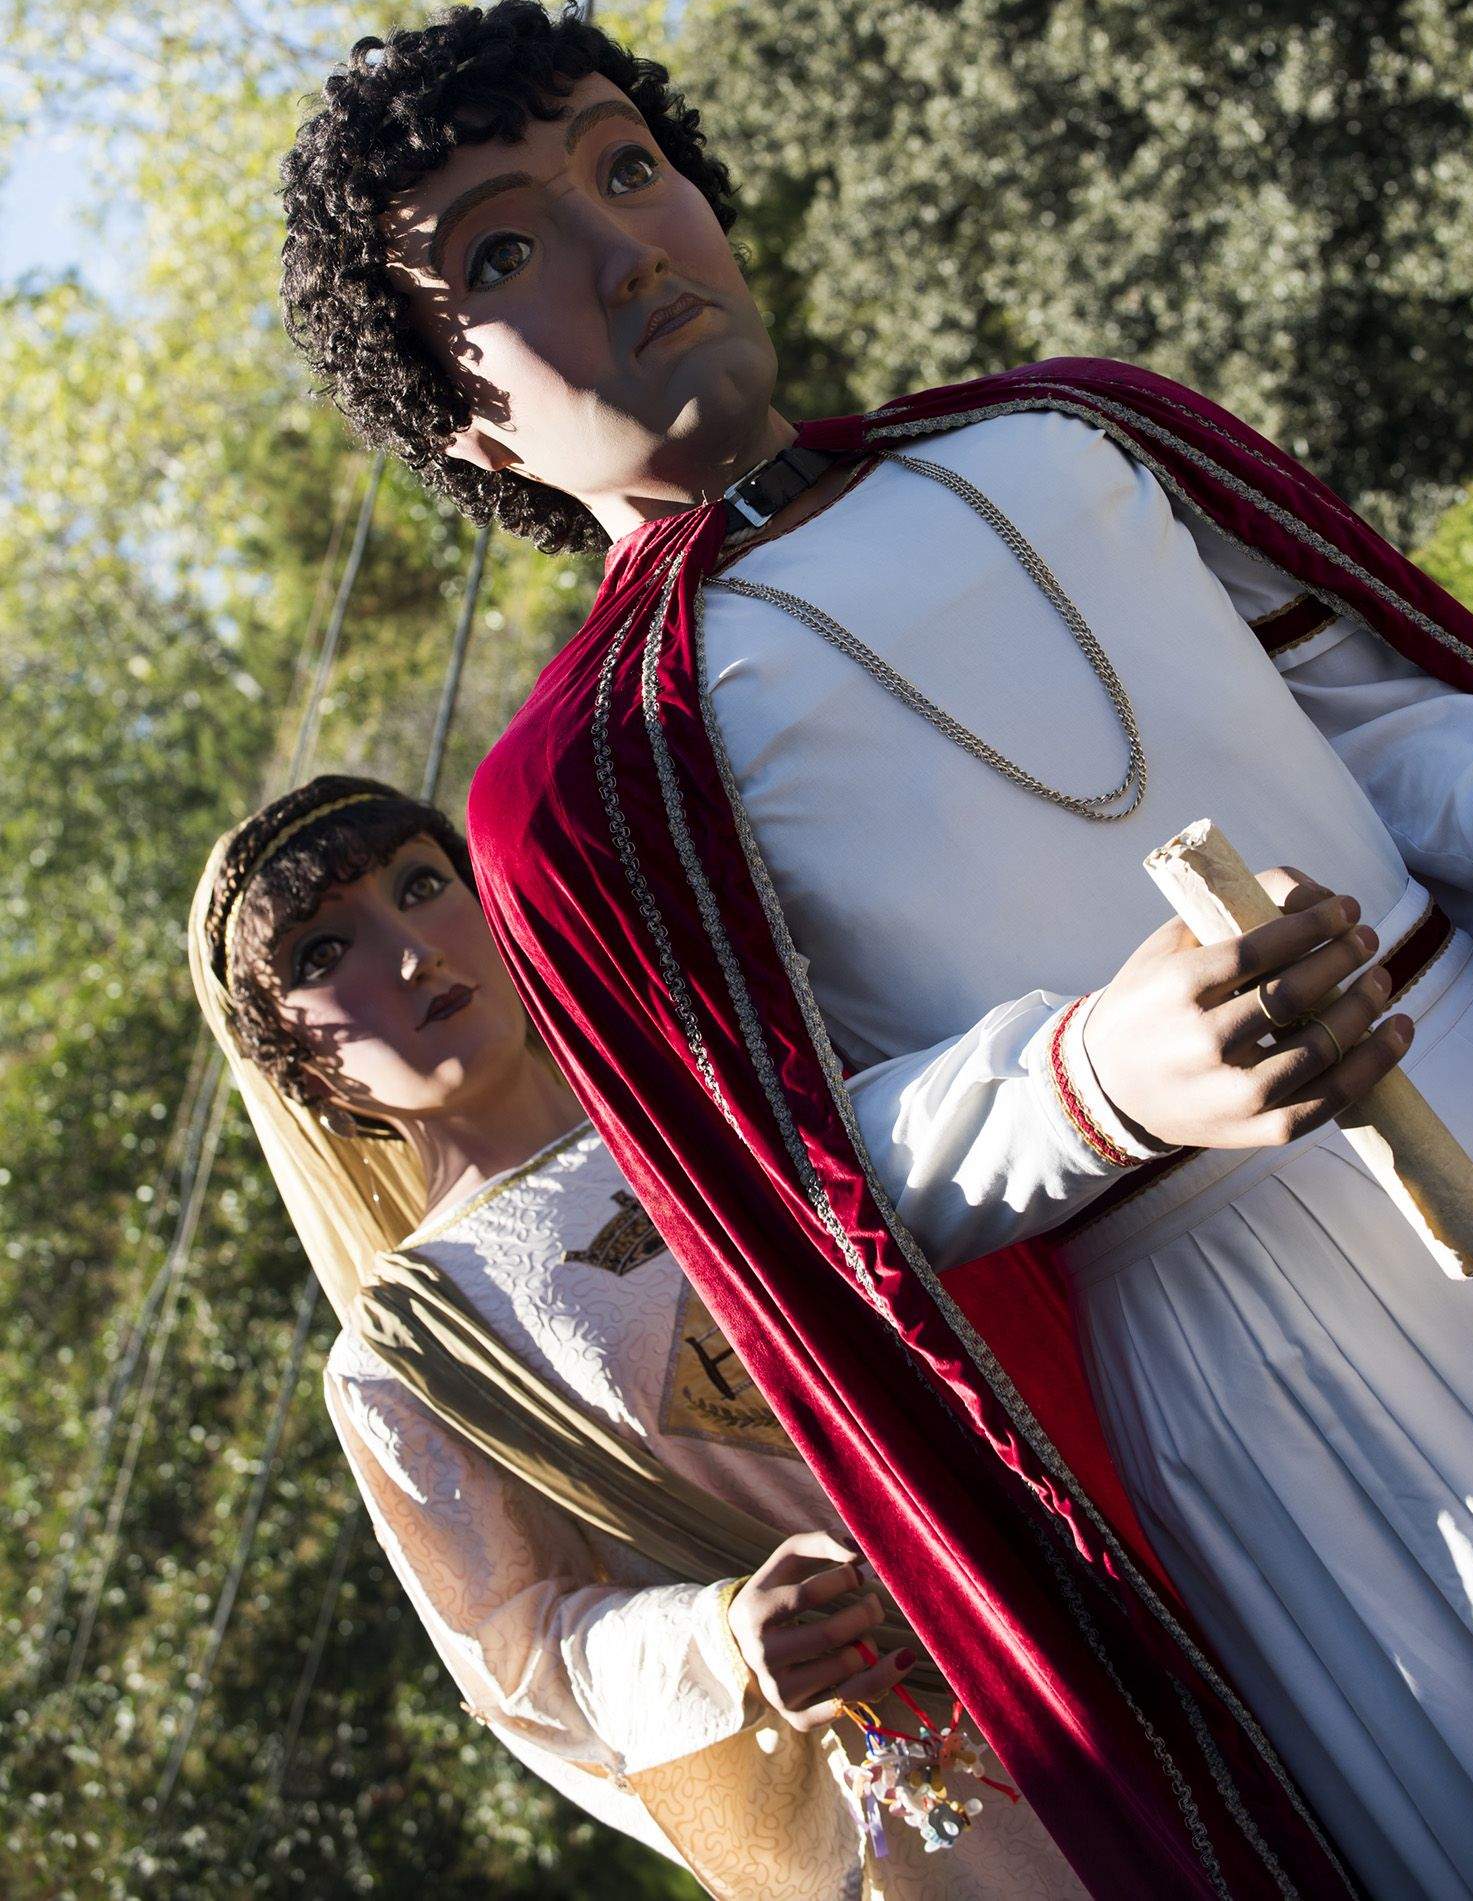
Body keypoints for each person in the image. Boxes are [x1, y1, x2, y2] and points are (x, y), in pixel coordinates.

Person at [278, 0, 1473, 1901]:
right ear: (458, 414)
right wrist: (1101, 1075)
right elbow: (788, 1191)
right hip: (1264, 1347)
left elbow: (1370, 719)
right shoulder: (584, 786)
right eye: (503, 252)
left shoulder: (1078, 432)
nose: (621, 245)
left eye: (629, 165)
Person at [189, 773, 1072, 1899]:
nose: (411, 952)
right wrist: (723, 1640)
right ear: (289, 1058)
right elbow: (520, 1657)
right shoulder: (405, 1352)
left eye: (421, 885)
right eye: (324, 951)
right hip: (933, 1756)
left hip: (1096, 1569)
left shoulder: (723, 1085)